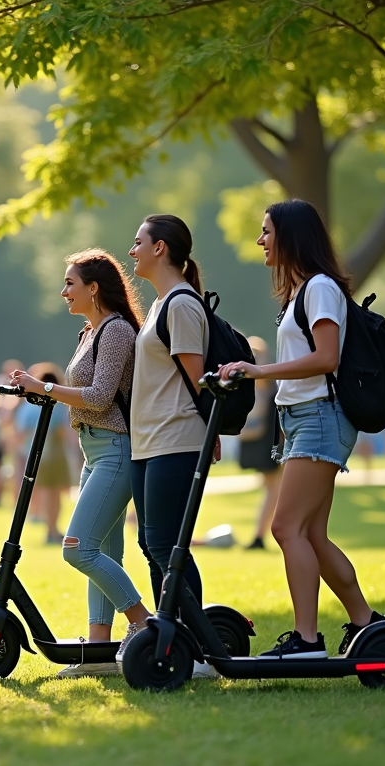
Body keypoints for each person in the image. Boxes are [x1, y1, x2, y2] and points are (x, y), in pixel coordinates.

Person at [218, 199, 385, 660]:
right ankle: (366, 622)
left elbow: (326, 357)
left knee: (286, 527)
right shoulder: (298, 294)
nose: (260, 240)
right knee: (310, 534)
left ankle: (307, 640)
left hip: (320, 416)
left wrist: (258, 371)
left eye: (267, 231)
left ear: (291, 236)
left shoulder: (321, 289)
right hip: (302, 419)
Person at [10, 248, 154, 678]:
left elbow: (99, 396)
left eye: (70, 283)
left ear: (94, 288)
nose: (63, 292)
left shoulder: (116, 331)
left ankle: (144, 626)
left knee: (78, 548)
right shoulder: (88, 333)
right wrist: (38, 391)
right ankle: (99, 653)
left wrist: (46, 388)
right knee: (104, 551)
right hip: (93, 451)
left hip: (116, 450)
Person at [126, 214, 219, 679]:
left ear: (160, 248)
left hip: (175, 440)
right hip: (148, 443)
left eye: (138, 242)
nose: (132, 250)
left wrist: (210, 435)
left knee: (168, 545)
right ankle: (171, 637)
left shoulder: (181, 304)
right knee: (151, 543)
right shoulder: (164, 303)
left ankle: (199, 651)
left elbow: (198, 380)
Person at [12, 363, 71, 545]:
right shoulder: (60, 405)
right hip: (55, 451)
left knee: (45, 492)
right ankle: (53, 528)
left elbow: (20, 434)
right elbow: (63, 431)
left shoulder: (28, 407)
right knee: (56, 493)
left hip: (37, 452)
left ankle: (50, 529)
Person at [239, 337, 283, 550]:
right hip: (263, 443)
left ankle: (261, 535)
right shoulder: (251, 388)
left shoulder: (270, 385)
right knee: (273, 489)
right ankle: (261, 534)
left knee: (274, 489)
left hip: (273, 443)